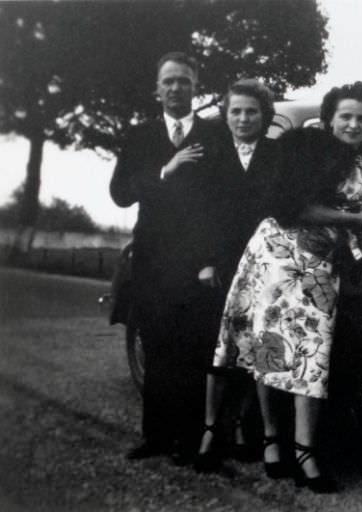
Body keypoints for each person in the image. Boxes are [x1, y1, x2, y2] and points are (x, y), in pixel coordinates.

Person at [212, 81, 362, 493]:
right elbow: (292, 207)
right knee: (269, 346)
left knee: (311, 351)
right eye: (346, 116)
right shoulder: (303, 147)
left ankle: (305, 450)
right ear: (329, 119)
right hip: (279, 254)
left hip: (322, 262)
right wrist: (357, 220)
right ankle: (273, 439)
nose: (353, 124)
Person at [109, 51, 226, 464]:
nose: (177, 88)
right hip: (152, 258)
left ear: (197, 86)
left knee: (192, 348)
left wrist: (211, 258)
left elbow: (221, 204)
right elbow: (120, 193)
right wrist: (165, 170)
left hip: (197, 260)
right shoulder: (140, 136)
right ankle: (155, 436)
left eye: (185, 81)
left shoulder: (214, 135)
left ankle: (187, 441)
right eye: (169, 81)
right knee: (156, 346)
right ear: (157, 89)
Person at [194, 78, 280, 472]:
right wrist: (207, 260)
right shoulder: (210, 154)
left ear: (264, 116)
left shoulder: (278, 155)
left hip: (265, 262)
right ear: (225, 115)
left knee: (256, 345)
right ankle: (211, 429)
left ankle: (248, 425)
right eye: (236, 111)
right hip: (223, 261)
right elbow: (199, 214)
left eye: (252, 111)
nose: (244, 118)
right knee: (221, 346)